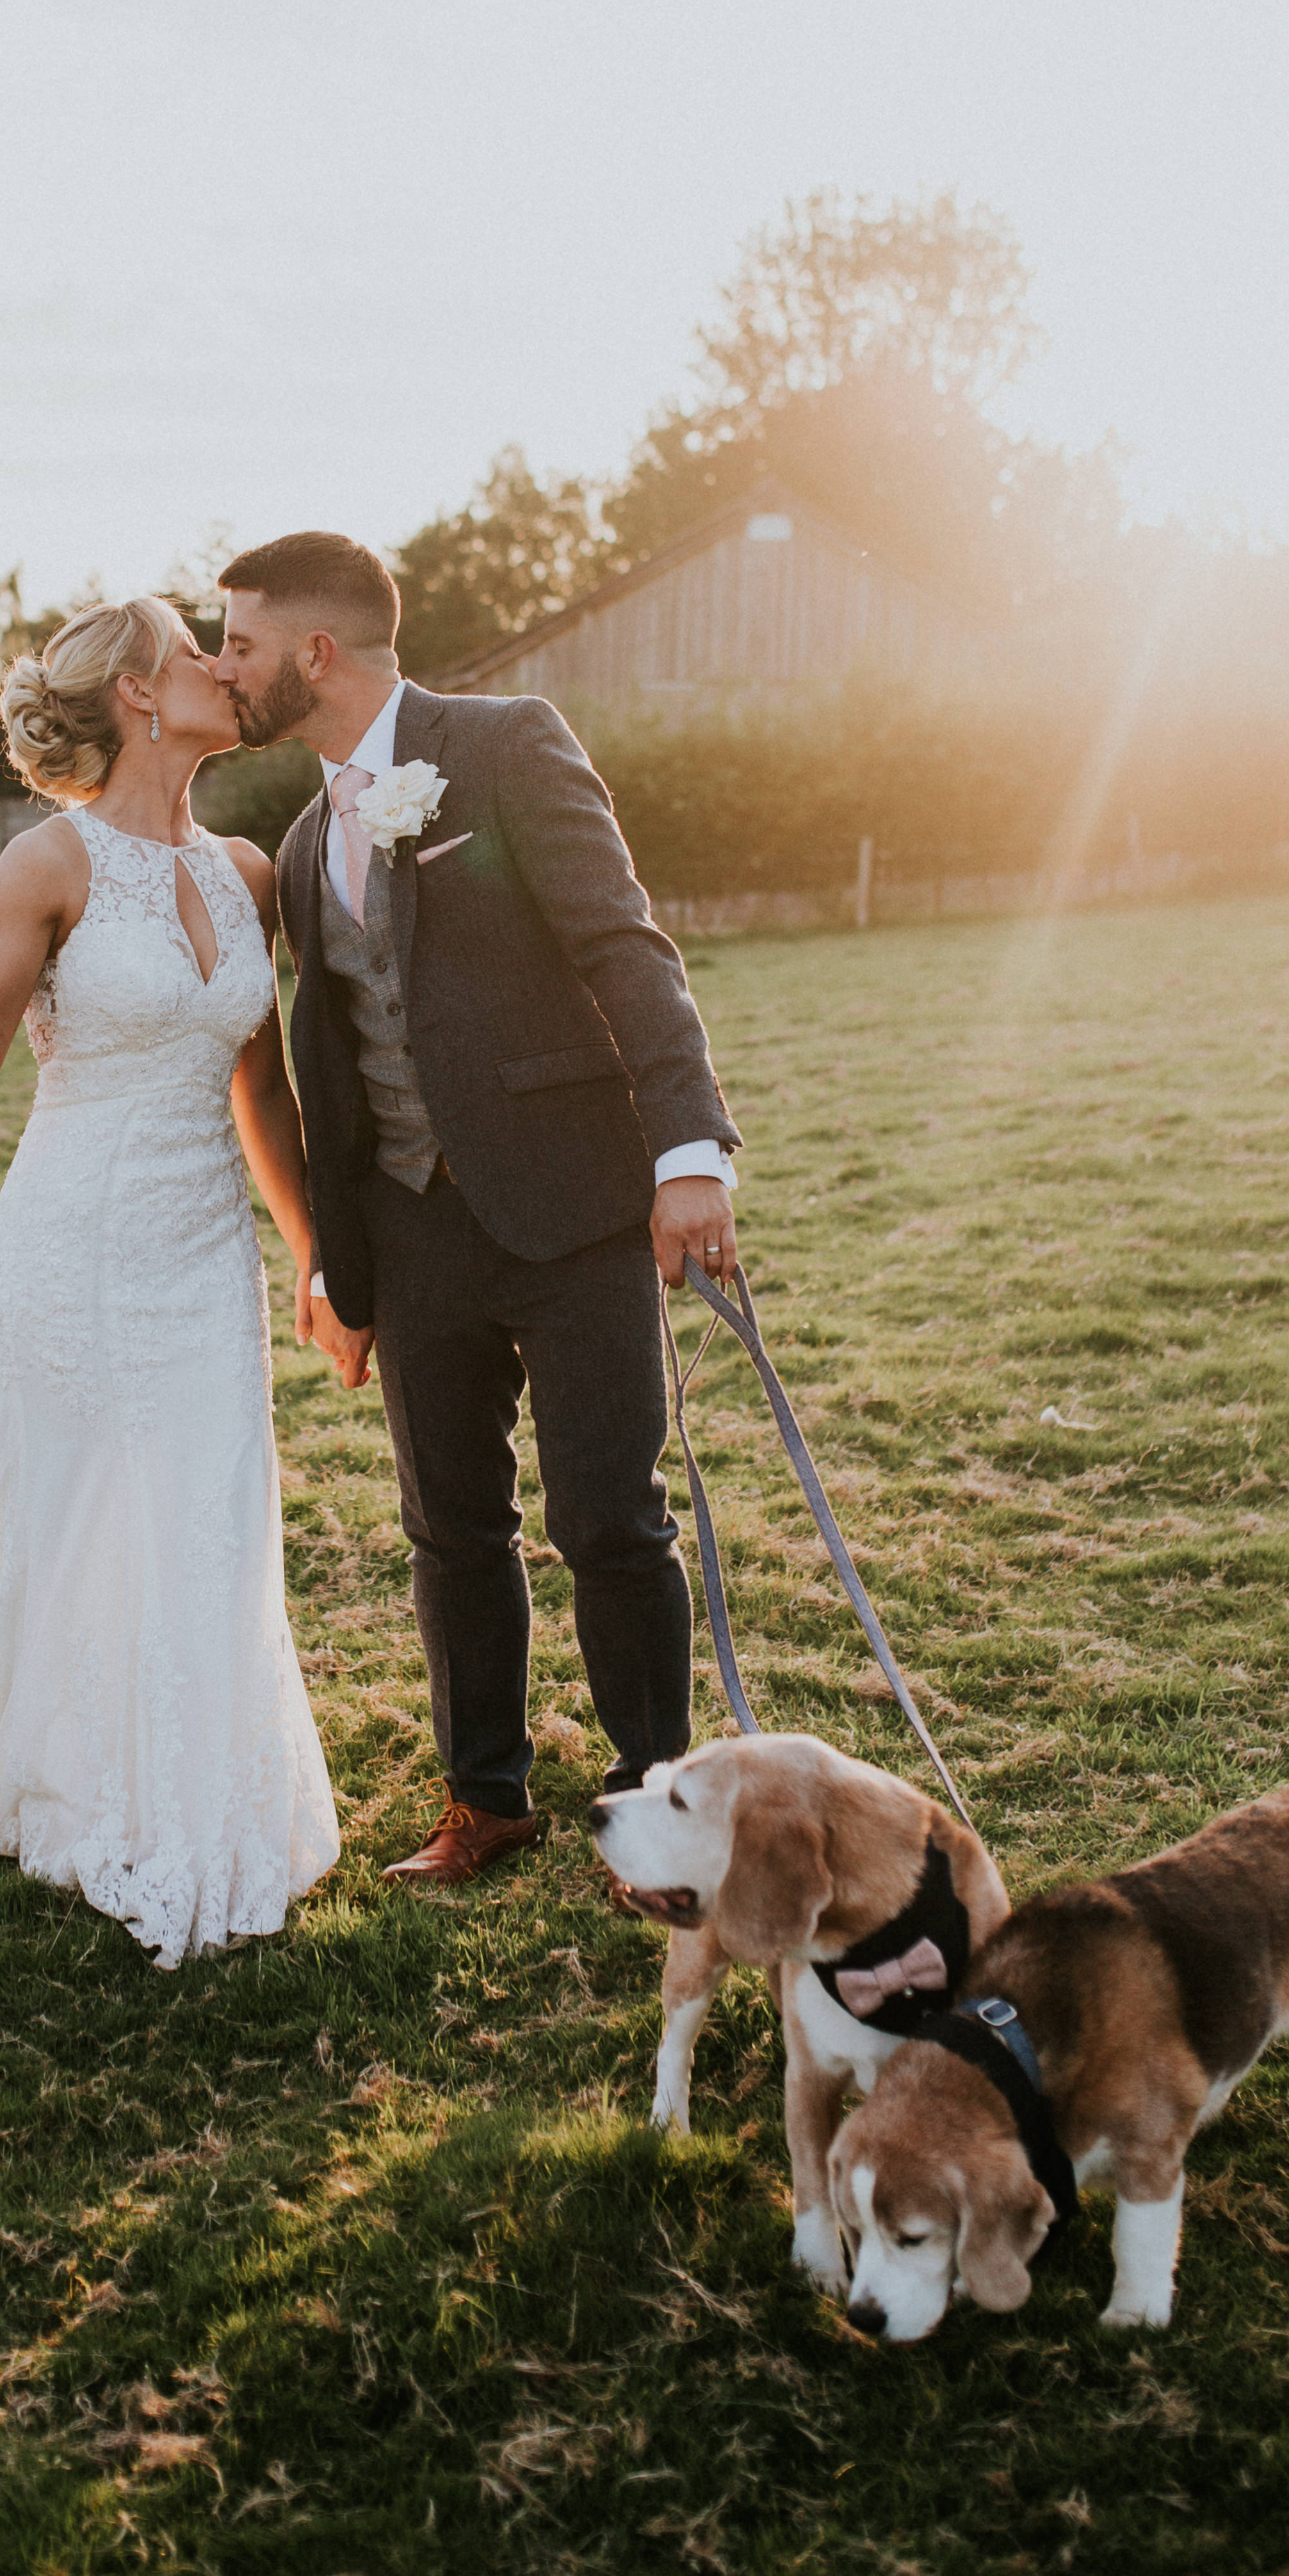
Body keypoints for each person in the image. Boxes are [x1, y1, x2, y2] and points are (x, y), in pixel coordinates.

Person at [0, 597, 343, 1967]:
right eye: (197, 658)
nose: (227, 675)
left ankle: (193, 1777)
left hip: (203, 1252)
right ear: (132, 694)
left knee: (207, 1502)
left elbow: (265, 1091)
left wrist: (312, 1253)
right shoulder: (48, 859)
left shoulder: (247, 867)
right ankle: (78, 1772)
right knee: (94, 1502)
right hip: (73, 1246)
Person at [213, 529, 742, 1887]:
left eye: (240, 643)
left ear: (315, 652)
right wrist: (337, 1257)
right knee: (449, 1525)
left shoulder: (504, 743)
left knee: (609, 1518)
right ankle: (486, 1796)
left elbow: (625, 947)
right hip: (411, 1222)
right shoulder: (305, 831)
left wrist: (689, 1153)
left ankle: (656, 1804)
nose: (227, 669)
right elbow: (329, 1061)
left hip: (571, 1207)